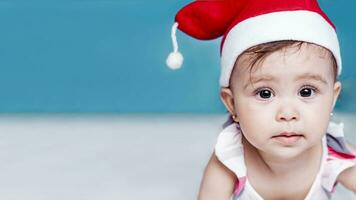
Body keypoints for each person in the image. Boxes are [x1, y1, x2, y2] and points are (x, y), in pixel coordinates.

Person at [166, 0, 356, 199]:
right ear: (232, 105)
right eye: (265, 93)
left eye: (306, 92)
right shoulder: (231, 161)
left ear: (333, 98)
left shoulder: (334, 154)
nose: (288, 114)